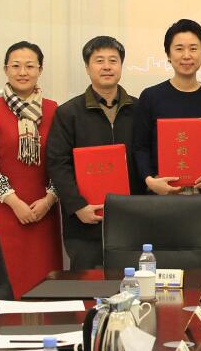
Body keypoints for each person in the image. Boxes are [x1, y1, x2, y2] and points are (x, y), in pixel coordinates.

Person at [0, 41, 61, 298]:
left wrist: (49, 199)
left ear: (40, 70)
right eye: (16, 66)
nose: (23, 72)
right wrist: (14, 202)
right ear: (6, 69)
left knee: (44, 285)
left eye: (30, 66)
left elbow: (62, 162)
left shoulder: (55, 110)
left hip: (43, 212)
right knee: (3, 284)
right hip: (2, 211)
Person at [47, 36, 142, 270]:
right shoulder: (68, 112)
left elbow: (147, 157)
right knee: (88, 285)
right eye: (99, 60)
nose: (107, 66)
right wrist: (77, 205)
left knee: (134, 283)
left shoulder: (139, 109)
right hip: (85, 222)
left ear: (121, 66)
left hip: (132, 219)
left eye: (113, 60)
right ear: (87, 67)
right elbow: (58, 163)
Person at [132, 19, 201, 200]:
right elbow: (140, 147)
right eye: (179, 49)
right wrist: (150, 180)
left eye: (193, 48)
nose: (186, 55)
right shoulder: (151, 97)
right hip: (160, 196)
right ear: (168, 54)